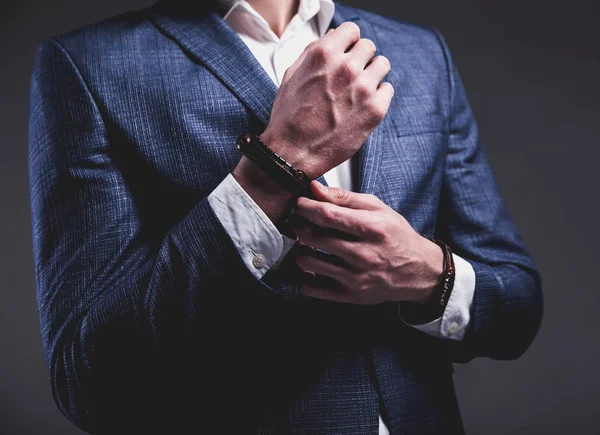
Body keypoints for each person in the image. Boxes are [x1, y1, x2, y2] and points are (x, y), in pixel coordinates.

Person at [28, 0, 543, 433]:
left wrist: (430, 275)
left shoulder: (421, 53)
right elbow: (87, 381)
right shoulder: (88, 64)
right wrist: (279, 162)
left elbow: (517, 308)